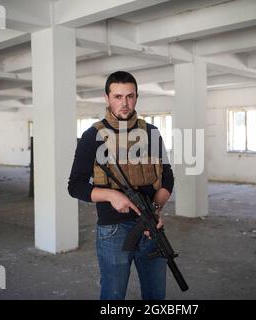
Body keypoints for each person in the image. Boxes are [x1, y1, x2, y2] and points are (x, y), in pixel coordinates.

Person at [68, 71, 174, 300]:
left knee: (156, 296)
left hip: (150, 227)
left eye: (130, 96)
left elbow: (167, 178)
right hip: (112, 230)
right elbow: (75, 186)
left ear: (136, 97)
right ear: (106, 98)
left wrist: (156, 210)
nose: (124, 103)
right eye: (118, 96)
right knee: (113, 297)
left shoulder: (151, 132)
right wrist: (110, 195)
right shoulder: (92, 136)